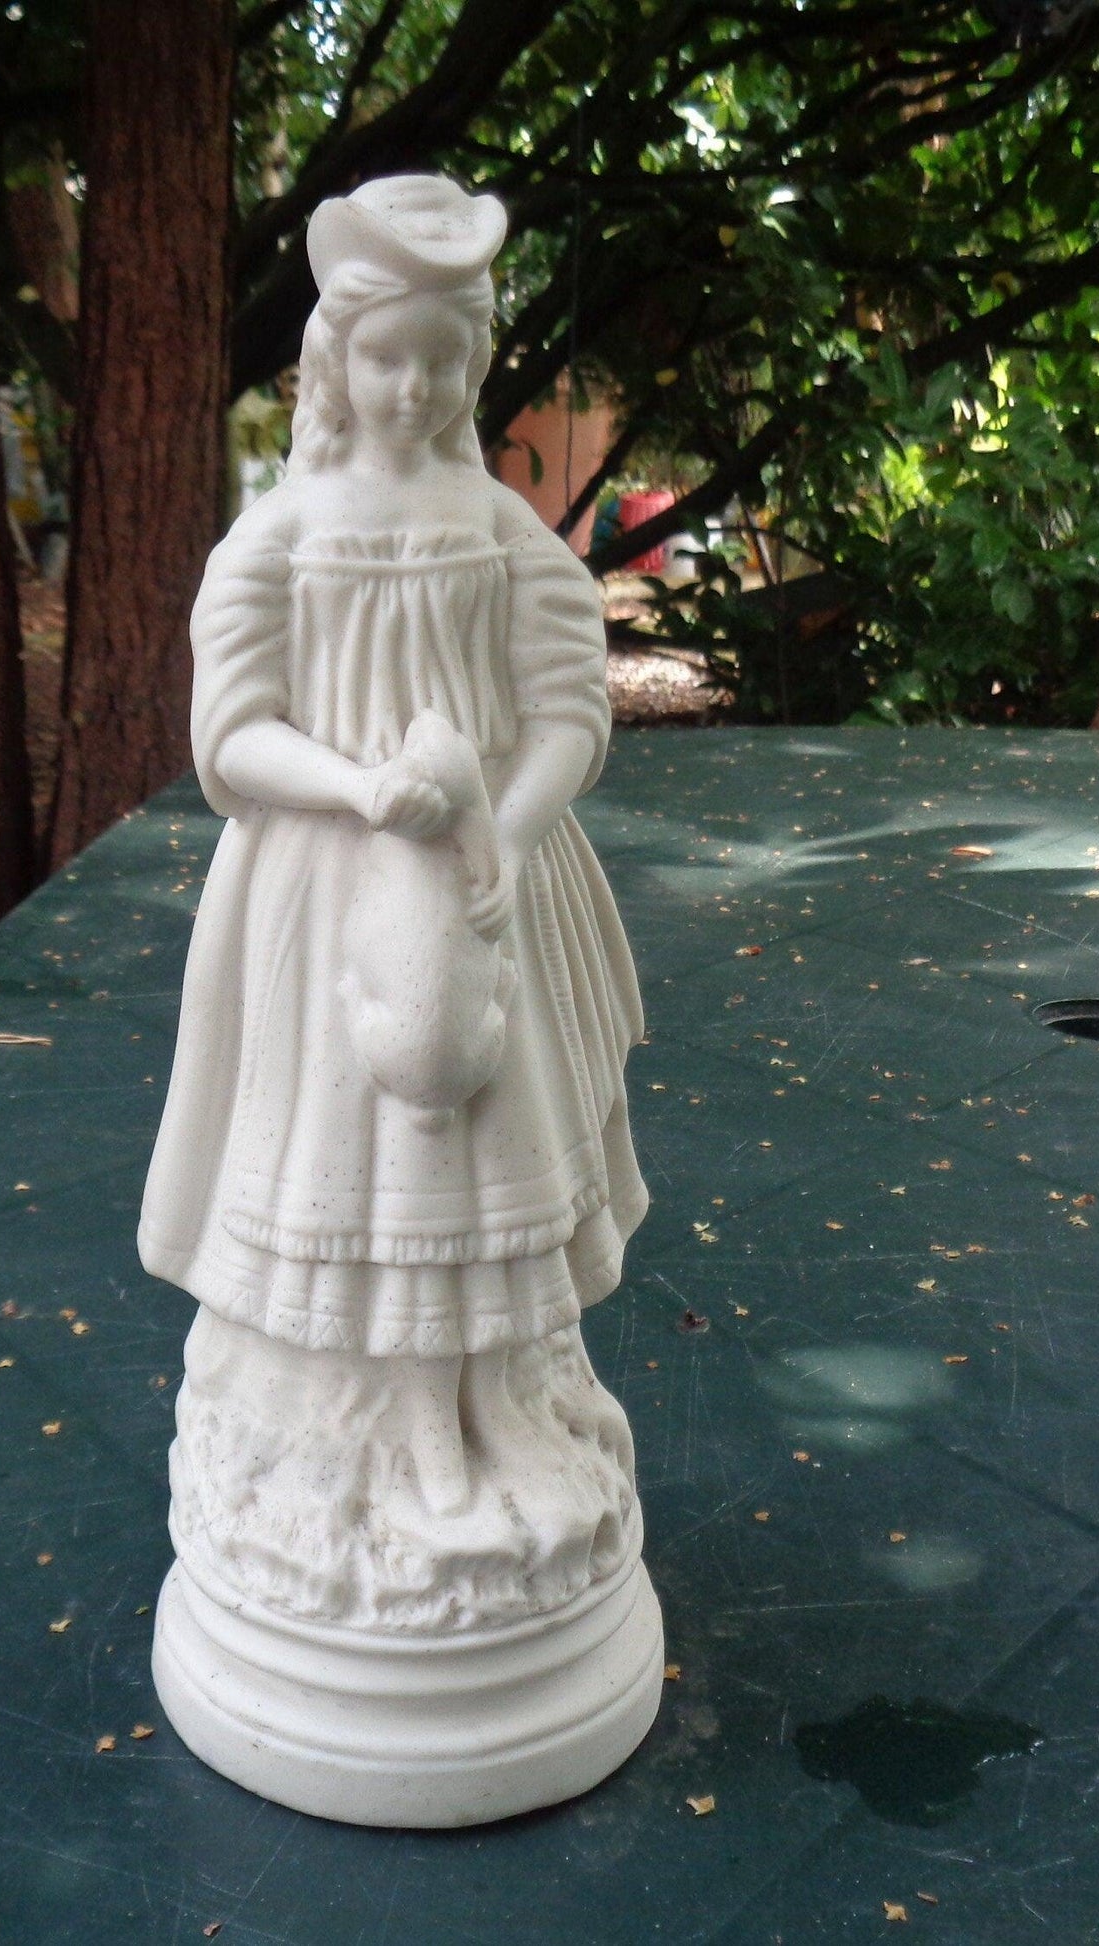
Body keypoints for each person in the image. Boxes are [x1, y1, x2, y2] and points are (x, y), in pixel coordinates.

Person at [141, 175, 648, 1634]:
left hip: (487, 890)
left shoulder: (500, 532)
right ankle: (345, 1434)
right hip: (317, 899)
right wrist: (363, 795)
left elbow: (569, 711)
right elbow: (228, 738)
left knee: (473, 1168)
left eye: (442, 357)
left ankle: (494, 1413)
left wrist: (499, 820)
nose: (415, 384)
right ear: (333, 364)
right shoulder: (281, 537)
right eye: (388, 356)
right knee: (349, 1170)